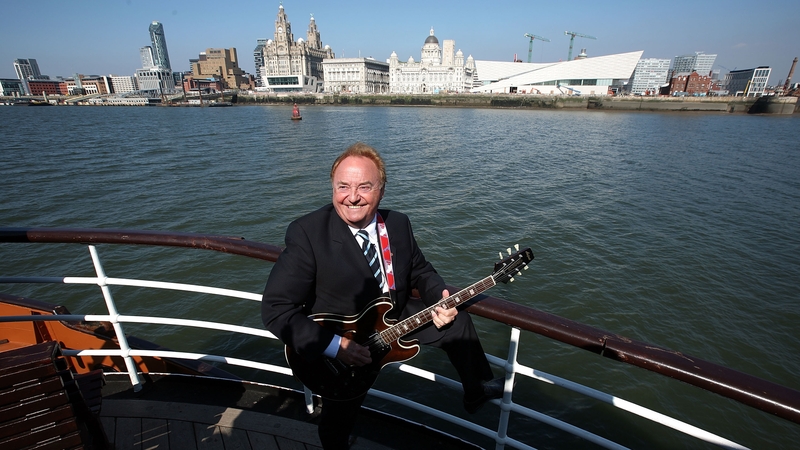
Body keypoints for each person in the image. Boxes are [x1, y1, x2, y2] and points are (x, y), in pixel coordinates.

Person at [261, 142, 502, 449]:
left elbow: (420, 270)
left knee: (457, 321)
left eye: (364, 186)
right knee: (339, 418)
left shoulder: (398, 224)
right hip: (345, 343)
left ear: (382, 191)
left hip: (394, 317)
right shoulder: (308, 233)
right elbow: (276, 309)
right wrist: (337, 347)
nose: (352, 197)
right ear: (332, 188)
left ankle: (475, 389)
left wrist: (439, 296)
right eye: (343, 186)